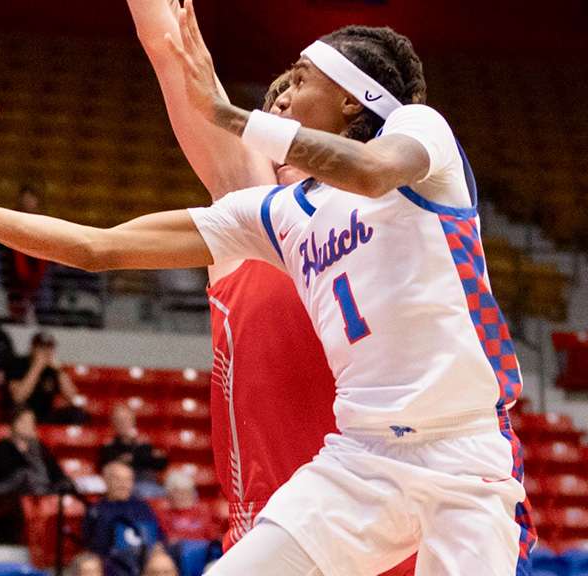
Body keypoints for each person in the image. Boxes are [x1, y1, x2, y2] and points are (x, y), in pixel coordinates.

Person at [0, 2, 536, 572]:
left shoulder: (422, 140)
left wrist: (234, 116)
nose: (277, 97)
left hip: (463, 459)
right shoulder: (277, 215)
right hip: (361, 459)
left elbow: (367, 171)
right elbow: (97, 247)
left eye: (297, 82)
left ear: (348, 97)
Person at [127, 4, 419, 573]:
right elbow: (167, 46)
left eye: (296, 91)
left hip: (399, 532)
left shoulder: (401, 211)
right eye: (272, 99)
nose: (279, 101)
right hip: (278, 542)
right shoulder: (253, 209)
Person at [0, 408, 70, 543]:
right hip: (10, 496)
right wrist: (23, 454)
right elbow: (3, 473)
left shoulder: (39, 447)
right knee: (26, 478)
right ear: (13, 424)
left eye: (31, 422)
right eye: (24, 421)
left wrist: (32, 450)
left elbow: (55, 473)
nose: (28, 426)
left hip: (42, 494)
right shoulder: (3, 446)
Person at [83, 462, 164, 572]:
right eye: (117, 479)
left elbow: (158, 539)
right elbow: (91, 546)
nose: (123, 484)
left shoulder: (143, 507)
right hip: (110, 565)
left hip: (144, 562)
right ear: (106, 480)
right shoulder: (96, 511)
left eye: (128, 480)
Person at [7, 331, 87, 423]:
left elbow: (73, 397)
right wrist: (37, 367)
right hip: (21, 414)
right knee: (21, 412)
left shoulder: (53, 369)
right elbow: (18, 397)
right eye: (41, 348)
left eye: (49, 348)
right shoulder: (18, 363)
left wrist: (59, 371)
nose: (46, 351)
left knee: (78, 413)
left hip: (44, 415)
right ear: (33, 348)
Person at [3, 184, 51, 323]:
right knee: (17, 303)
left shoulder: (43, 221)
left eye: (31, 199)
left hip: (38, 265)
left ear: (36, 201)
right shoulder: (13, 219)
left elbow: (46, 246)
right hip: (16, 269)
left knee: (44, 297)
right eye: (25, 199)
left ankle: (45, 321)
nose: (28, 202)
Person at [99, 403, 168, 498]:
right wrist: (142, 458)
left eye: (125, 420)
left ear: (133, 421)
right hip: (122, 484)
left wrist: (132, 458)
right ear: (113, 423)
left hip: (145, 481)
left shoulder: (144, 443)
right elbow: (107, 464)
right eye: (119, 421)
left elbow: (160, 463)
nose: (122, 424)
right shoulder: (109, 445)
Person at [156, 469, 220, 544]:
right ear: (169, 495)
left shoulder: (203, 512)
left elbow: (213, 537)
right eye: (177, 492)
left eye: (186, 492)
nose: (182, 497)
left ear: (193, 494)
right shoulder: (163, 515)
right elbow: (170, 540)